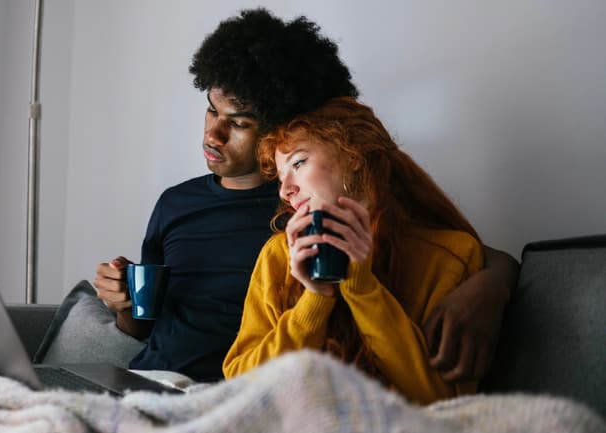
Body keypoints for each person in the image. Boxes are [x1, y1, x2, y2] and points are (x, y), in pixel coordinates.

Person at [94, 8, 518, 384]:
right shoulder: (176, 203)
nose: (213, 133)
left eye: (239, 122)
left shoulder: (308, 216)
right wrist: (122, 304)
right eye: (211, 110)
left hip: (220, 393)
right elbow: (144, 325)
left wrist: (494, 285)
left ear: (284, 127)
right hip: (146, 377)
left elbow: (445, 246)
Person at [223, 97, 483, 404]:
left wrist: (363, 289)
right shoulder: (280, 254)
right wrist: (314, 301)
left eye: (298, 163)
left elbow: (442, 401)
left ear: (353, 155)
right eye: (281, 177)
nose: (285, 190)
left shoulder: (449, 254)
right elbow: (240, 390)